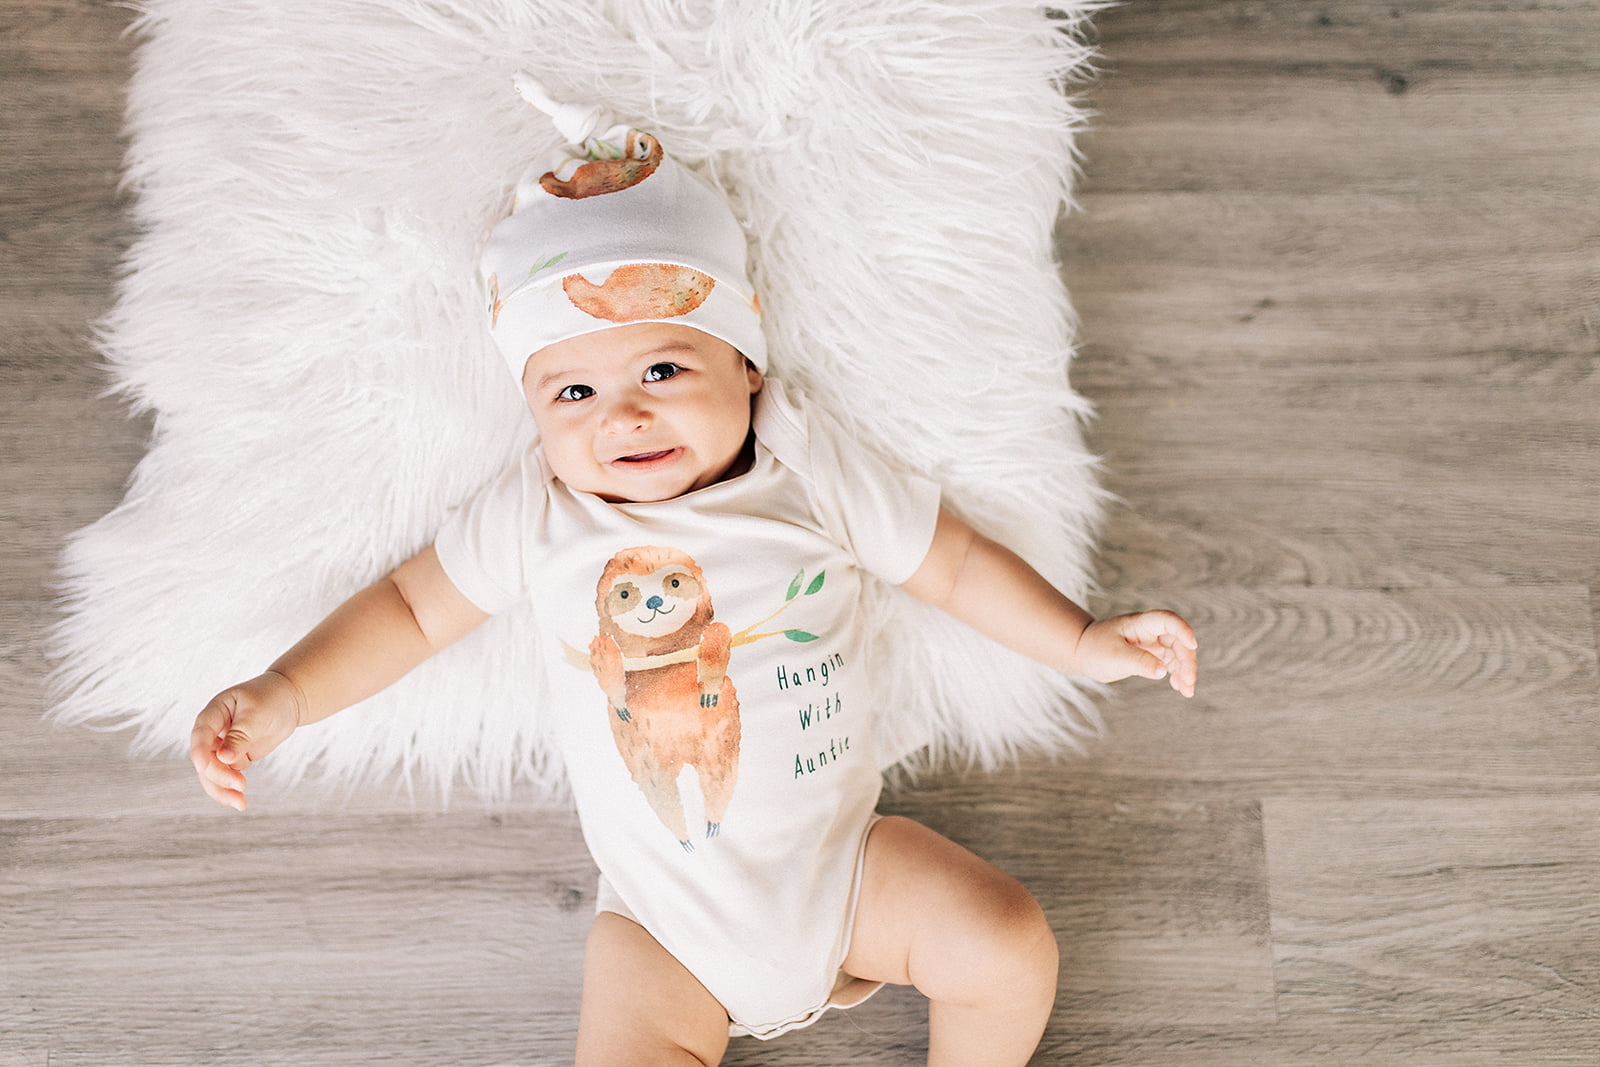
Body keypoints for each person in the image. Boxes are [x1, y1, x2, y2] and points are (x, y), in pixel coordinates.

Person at [189, 77, 1198, 1067]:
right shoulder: (541, 506)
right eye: (573, 389)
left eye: (663, 370)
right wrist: (287, 691)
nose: (621, 415)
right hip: (662, 928)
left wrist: (1080, 639)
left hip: (844, 869)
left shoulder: (803, 464)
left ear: (746, 363)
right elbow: (410, 610)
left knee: (1004, 935)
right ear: (534, 409)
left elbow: (953, 560)